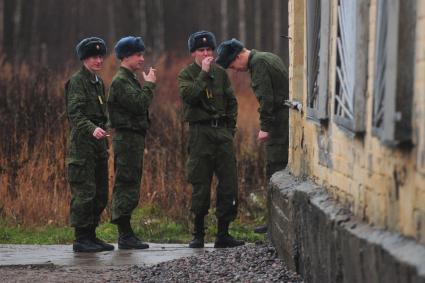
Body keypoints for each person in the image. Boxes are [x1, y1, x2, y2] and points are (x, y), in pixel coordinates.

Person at [177, 31, 245, 249]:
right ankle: (198, 234)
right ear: (193, 53)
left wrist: (229, 130)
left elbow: (232, 102)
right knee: (200, 183)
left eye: (209, 49)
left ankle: (223, 233)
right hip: (200, 134)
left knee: (228, 183)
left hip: (221, 133)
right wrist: (204, 74)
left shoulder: (221, 74)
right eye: (201, 50)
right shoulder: (186, 74)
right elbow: (190, 97)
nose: (206, 53)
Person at [216, 39, 289, 234]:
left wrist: (265, 127)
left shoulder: (258, 64)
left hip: (278, 124)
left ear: (239, 56)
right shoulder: (268, 56)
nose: (235, 69)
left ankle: (274, 223)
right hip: (283, 119)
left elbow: (267, 97)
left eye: (232, 64)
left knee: (274, 169)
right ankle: (274, 220)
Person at [65, 37, 114, 252]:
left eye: (101, 56)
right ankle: (81, 238)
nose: (99, 60)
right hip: (83, 146)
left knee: (100, 193)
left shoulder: (97, 82)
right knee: (84, 193)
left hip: (98, 146)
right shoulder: (78, 81)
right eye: (94, 57)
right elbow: (75, 114)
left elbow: (101, 114)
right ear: (85, 59)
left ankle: (92, 235)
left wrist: (104, 127)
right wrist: (92, 128)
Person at [107, 36, 156, 249]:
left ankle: (127, 233)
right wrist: (150, 86)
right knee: (126, 183)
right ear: (126, 56)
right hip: (126, 138)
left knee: (131, 183)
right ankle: (124, 235)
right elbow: (138, 104)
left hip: (133, 138)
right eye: (138, 54)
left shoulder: (129, 79)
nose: (142, 59)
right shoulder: (121, 81)